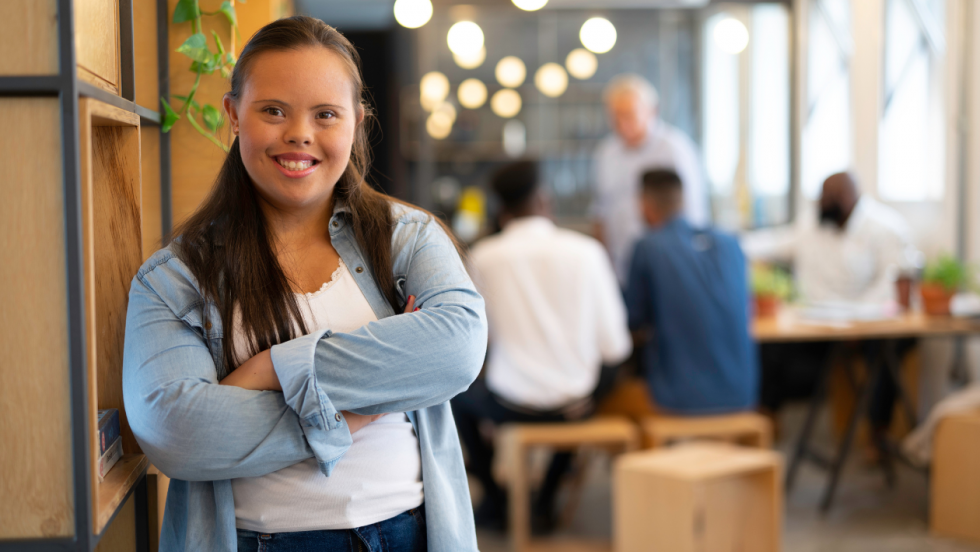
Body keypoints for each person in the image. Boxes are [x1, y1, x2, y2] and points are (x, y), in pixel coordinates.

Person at [122, 17, 487, 552]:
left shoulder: (406, 238)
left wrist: (271, 368)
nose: (300, 134)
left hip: (407, 534)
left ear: (356, 123)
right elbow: (178, 433)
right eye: (273, 110)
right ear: (233, 115)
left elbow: (457, 349)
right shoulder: (176, 276)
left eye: (326, 115)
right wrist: (367, 406)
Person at [452, 161, 631, 530]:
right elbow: (616, 347)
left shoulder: (484, 256)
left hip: (510, 403)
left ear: (501, 210)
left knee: (455, 399)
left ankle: (498, 500)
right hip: (575, 404)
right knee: (579, 395)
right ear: (544, 200)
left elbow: (471, 346)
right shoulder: (588, 252)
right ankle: (546, 500)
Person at [744, 172, 918, 435]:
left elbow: (891, 286)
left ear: (846, 198)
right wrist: (728, 245)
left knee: (884, 351)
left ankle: (877, 433)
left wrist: (855, 321)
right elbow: (776, 243)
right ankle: (764, 420)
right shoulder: (812, 224)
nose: (820, 204)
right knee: (770, 347)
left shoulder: (884, 227)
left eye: (827, 198)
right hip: (819, 324)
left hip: (867, 323)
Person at [625, 169, 758, 413]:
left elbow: (632, 318)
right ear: (682, 200)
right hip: (742, 395)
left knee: (615, 396)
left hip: (678, 399)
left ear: (644, 204)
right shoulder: (731, 243)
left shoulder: (648, 247)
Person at [592, 74, 709, 285]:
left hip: (669, 269)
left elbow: (693, 213)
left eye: (628, 115)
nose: (621, 124)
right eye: (615, 116)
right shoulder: (606, 153)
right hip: (621, 271)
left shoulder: (675, 150)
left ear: (652, 111)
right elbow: (601, 212)